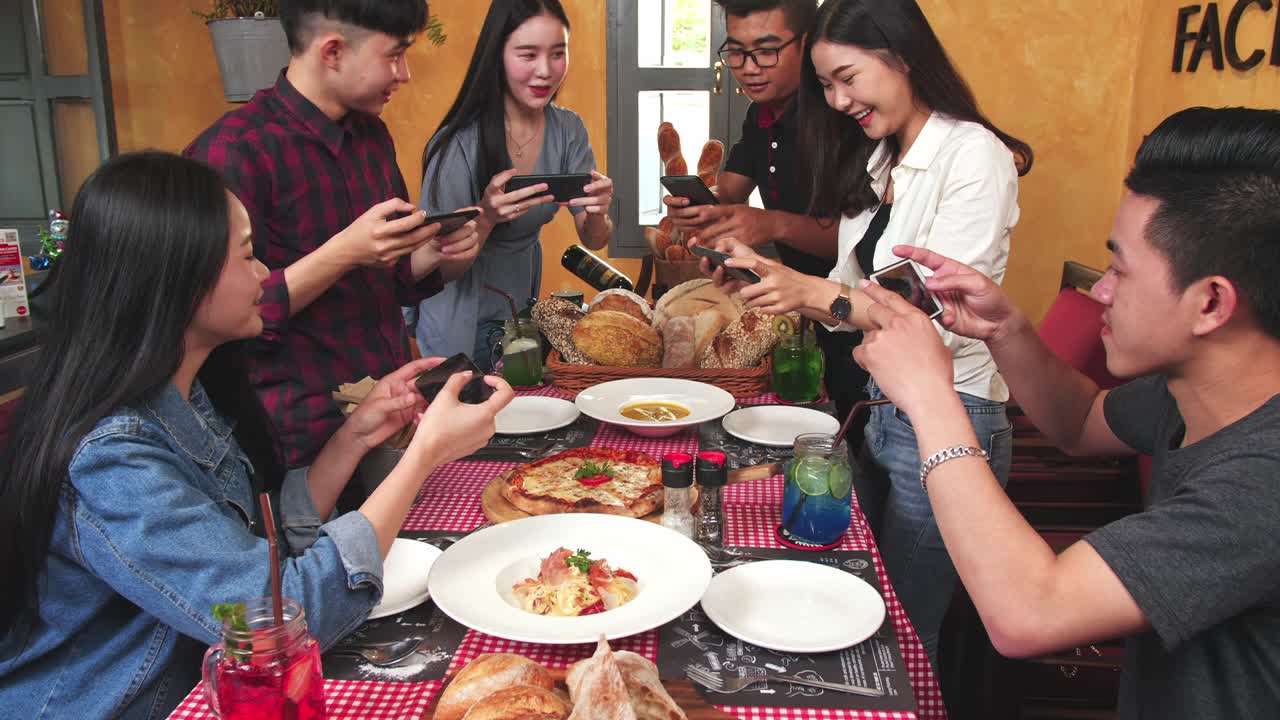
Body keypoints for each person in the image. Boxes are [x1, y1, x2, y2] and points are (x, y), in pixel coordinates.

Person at [0, 153, 513, 720]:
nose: (266, 273)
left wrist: (357, 436)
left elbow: (261, 550)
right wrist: (422, 456)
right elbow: (284, 616)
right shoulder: (111, 459)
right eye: (247, 254)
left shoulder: (187, 394)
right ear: (180, 281)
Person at [853, 106, 1280, 719]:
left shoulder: (1262, 482)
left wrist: (928, 395)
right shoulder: (1190, 393)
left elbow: (1029, 614)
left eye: (1120, 269)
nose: (1100, 290)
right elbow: (1081, 420)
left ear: (1211, 301)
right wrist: (1006, 331)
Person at [696, 0, 1032, 669]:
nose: (838, 100)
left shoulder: (973, 157)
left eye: (847, 77)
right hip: (882, 412)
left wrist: (817, 291)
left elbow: (921, 310)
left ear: (902, 56)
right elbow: (854, 296)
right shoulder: (882, 160)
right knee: (868, 608)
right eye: (825, 84)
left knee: (904, 634)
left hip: (948, 420)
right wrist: (772, 277)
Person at [185, 0, 480, 471]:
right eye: (394, 55)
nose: (403, 74)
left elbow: (395, 279)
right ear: (333, 51)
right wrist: (344, 252)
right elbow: (213, 315)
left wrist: (439, 255)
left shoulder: (371, 137)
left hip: (390, 416)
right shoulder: (232, 152)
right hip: (296, 440)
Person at [665, 0, 872, 434]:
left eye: (766, 50)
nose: (748, 67)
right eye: (736, 52)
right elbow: (731, 193)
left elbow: (864, 239)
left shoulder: (844, 112)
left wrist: (768, 223)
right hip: (796, 308)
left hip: (859, 311)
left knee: (854, 443)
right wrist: (700, 208)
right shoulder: (759, 113)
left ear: (807, 44)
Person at [410, 0, 614, 369]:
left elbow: (594, 238)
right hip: (458, 318)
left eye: (557, 53)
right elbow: (439, 271)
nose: (545, 71)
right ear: (497, 56)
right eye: (527, 54)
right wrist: (485, 217)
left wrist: (598, 211)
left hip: (518, 315)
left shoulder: (568, 130)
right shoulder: (456, 143)